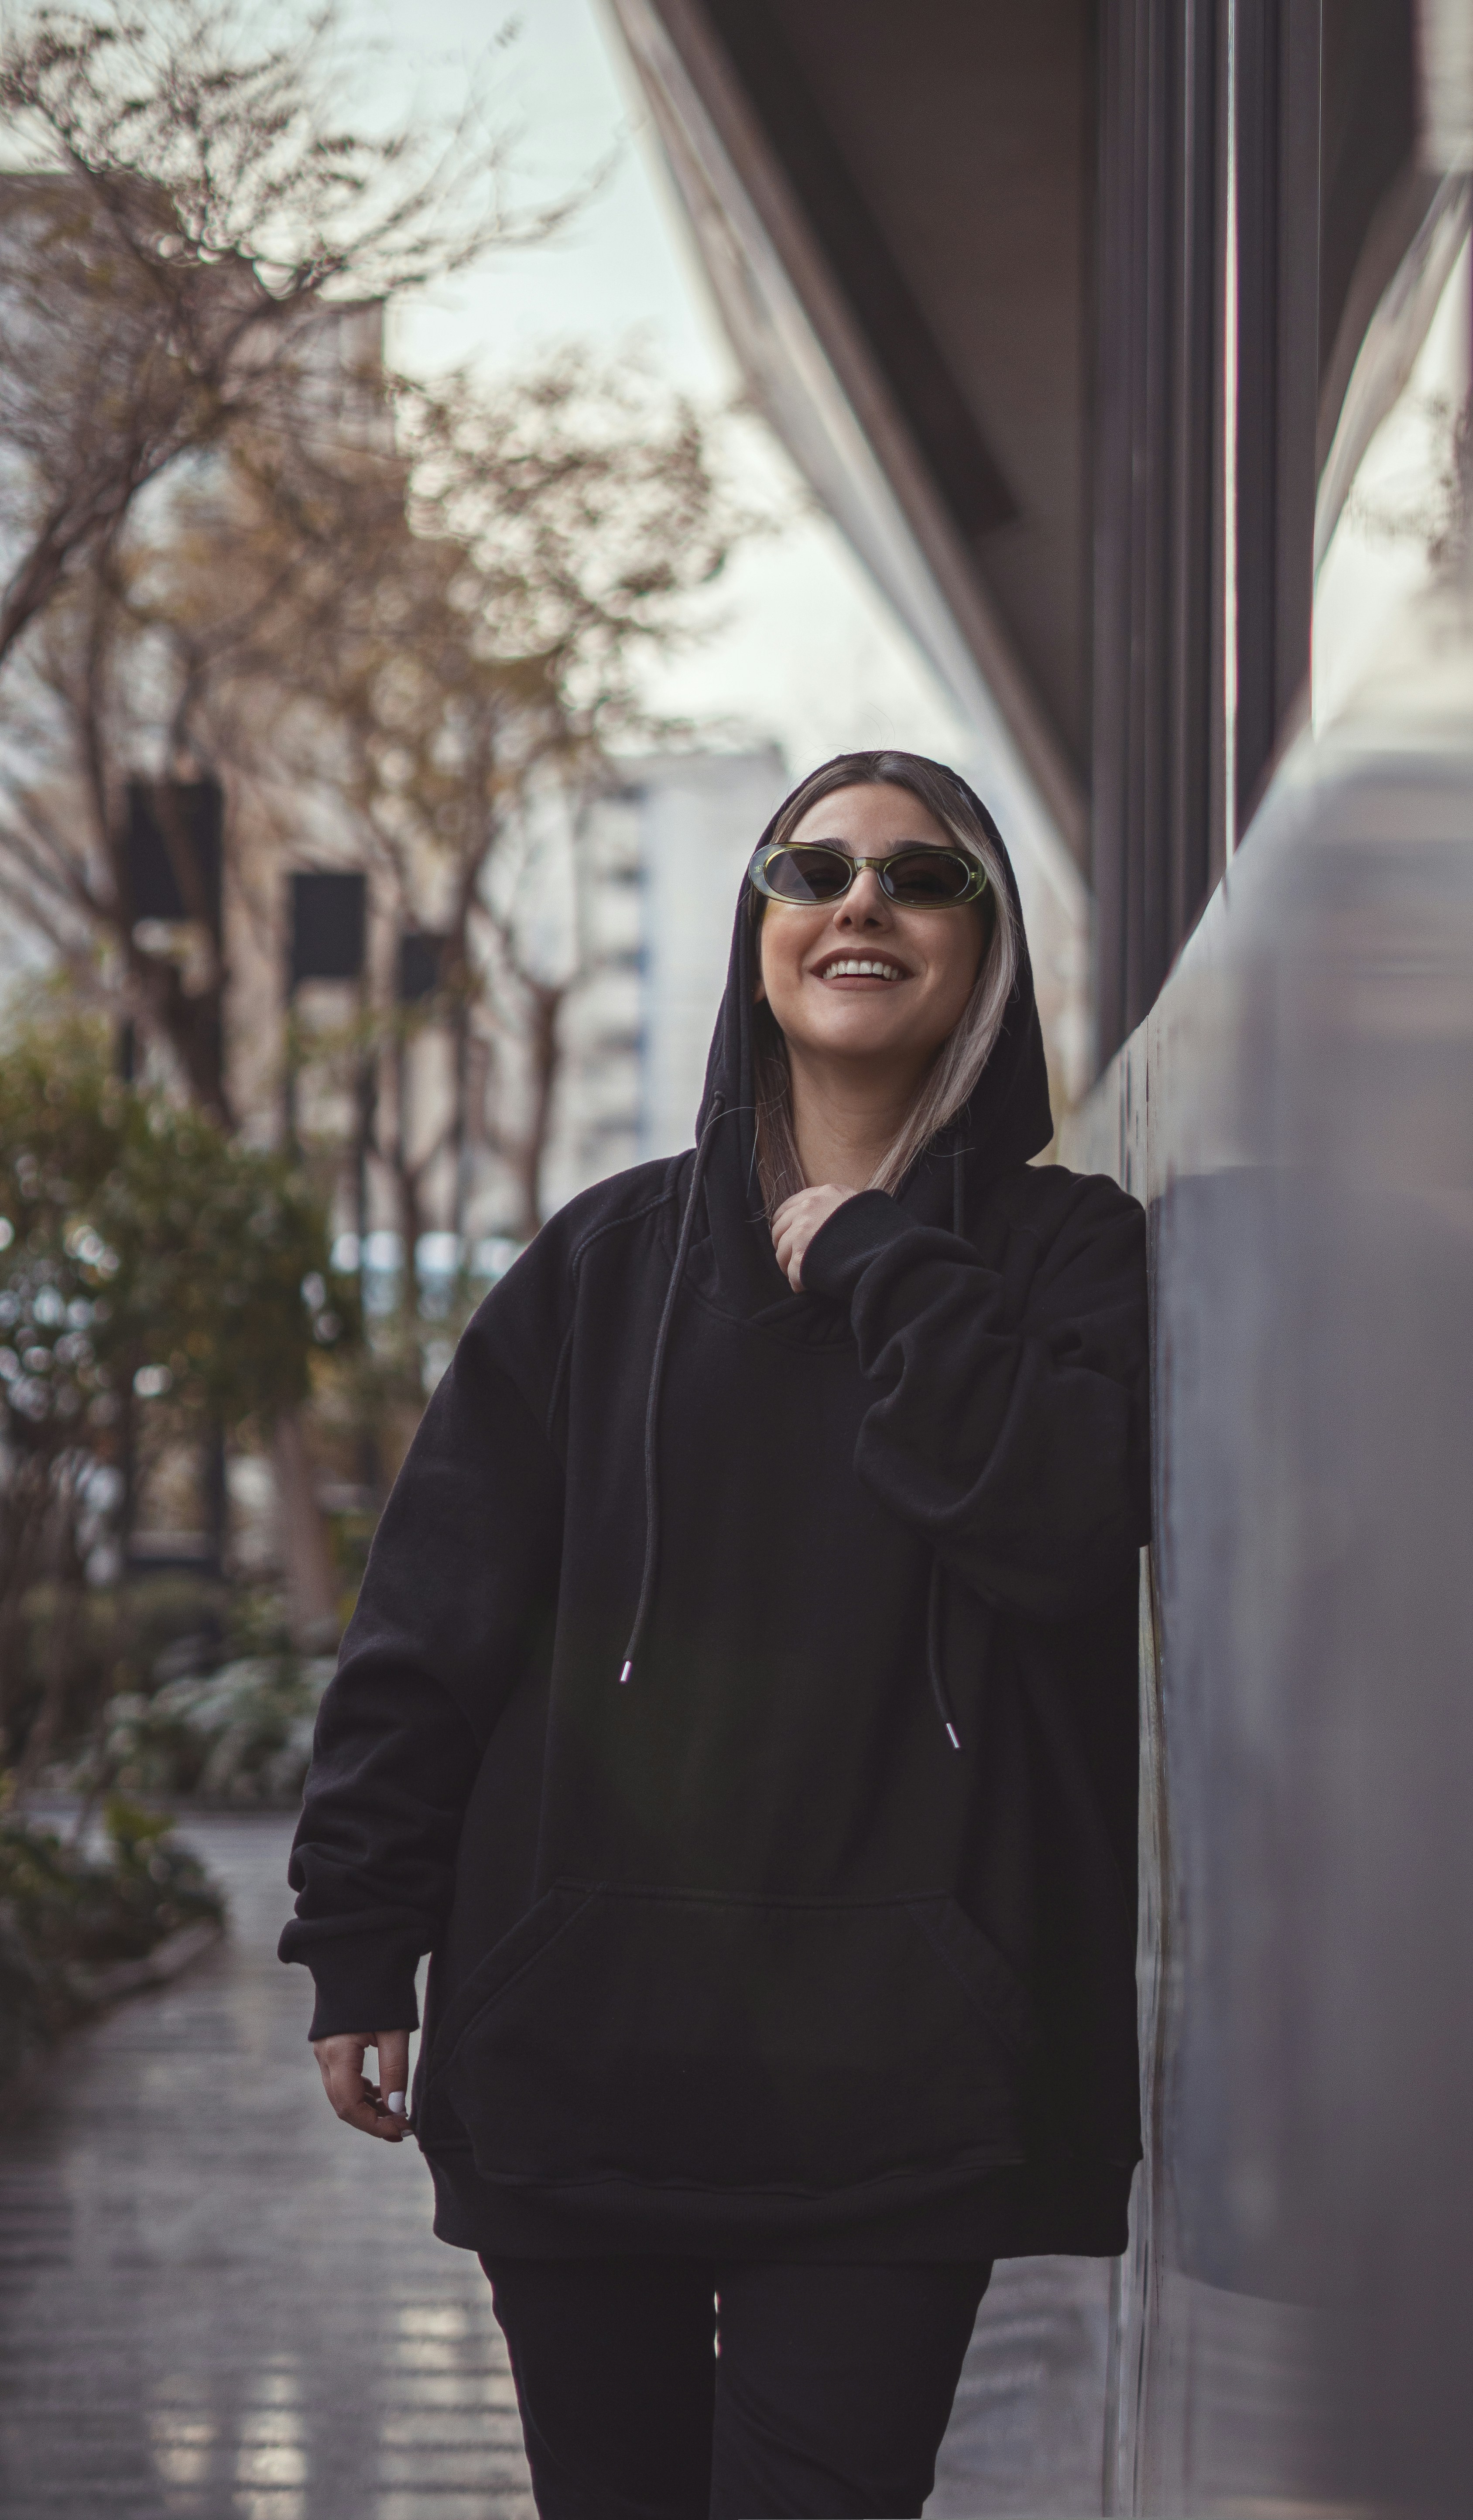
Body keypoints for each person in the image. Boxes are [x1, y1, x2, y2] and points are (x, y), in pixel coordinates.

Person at [280, 750, 1150, 2520]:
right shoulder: (601, 1266)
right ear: (758, 932)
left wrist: (883, 1261)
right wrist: (362, 1933)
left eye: (923, 877)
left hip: (901, 2083)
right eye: (812, 867)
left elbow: (1060, 1525)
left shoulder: (1071, 1259)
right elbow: (429, 1622)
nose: (862, 900)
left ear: (988, 952)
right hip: (588, 2058)